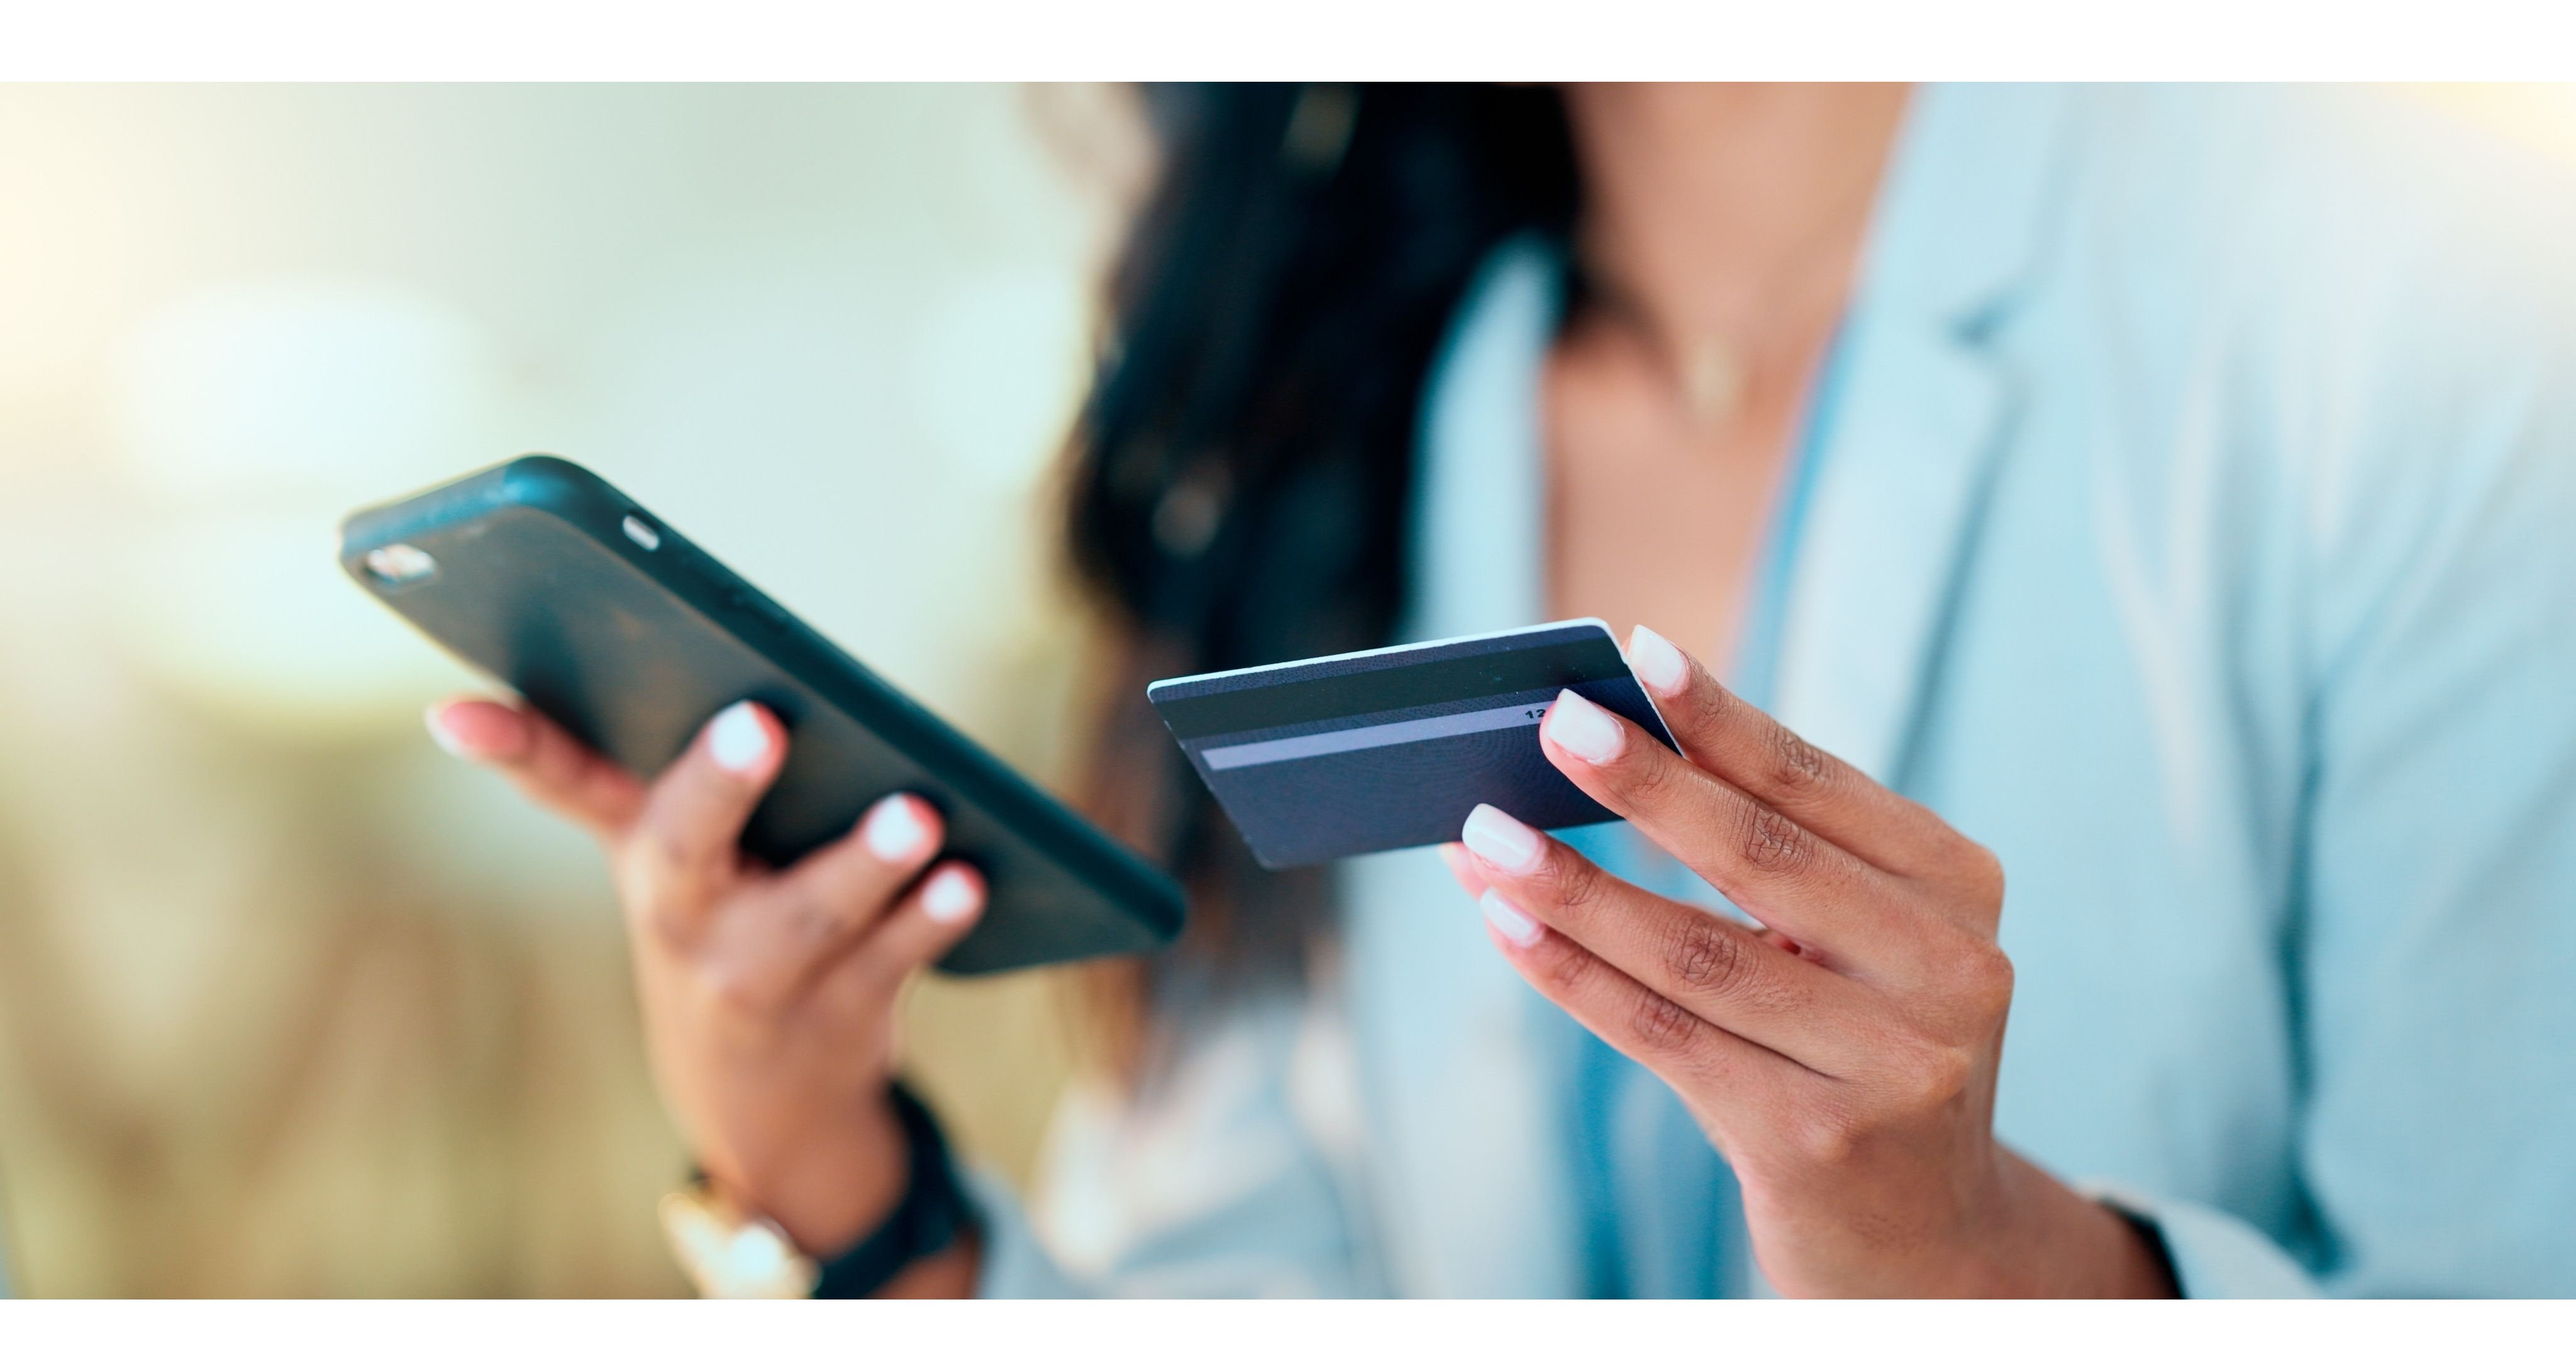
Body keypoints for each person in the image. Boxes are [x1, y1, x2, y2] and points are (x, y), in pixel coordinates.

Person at [425, 84, 2576, 1297]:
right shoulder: (1324, 382)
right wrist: (818, 1166)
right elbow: (1233, 1290)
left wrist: (1972, 1263)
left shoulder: (2406, 286)